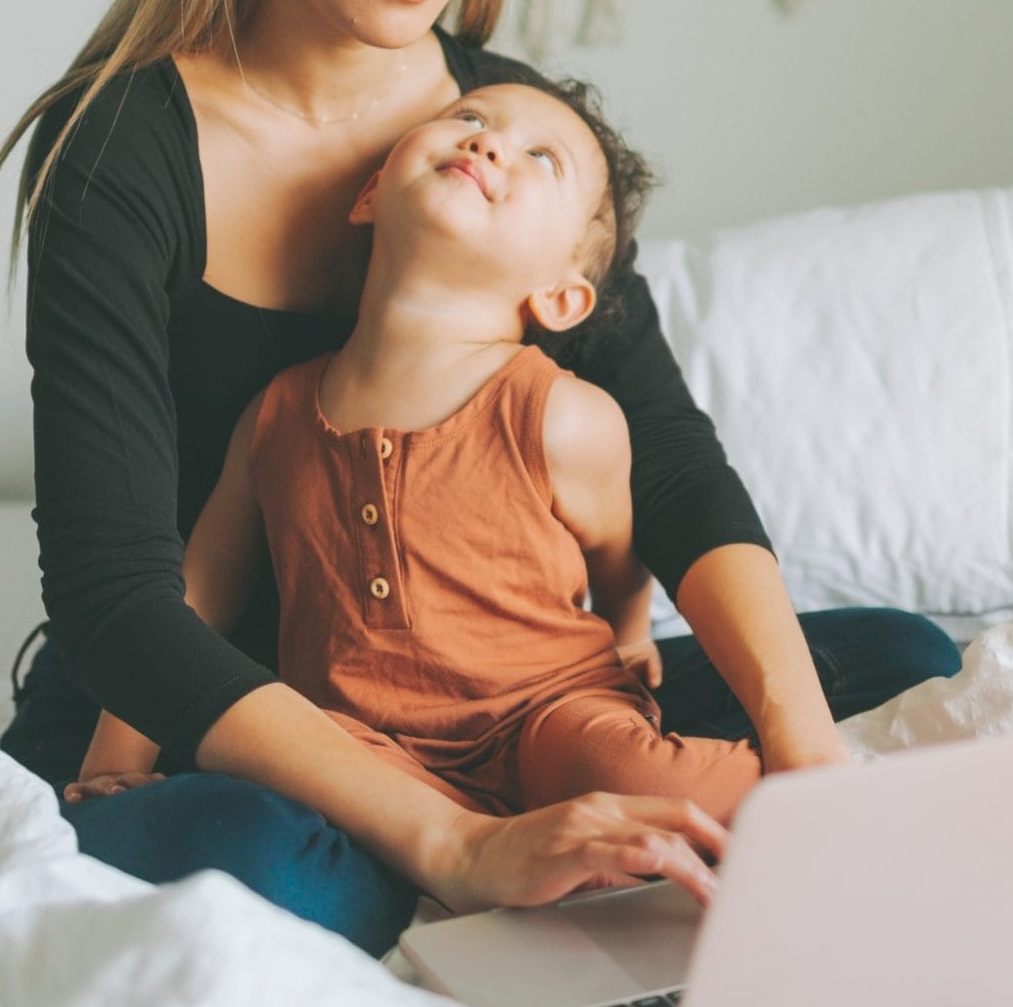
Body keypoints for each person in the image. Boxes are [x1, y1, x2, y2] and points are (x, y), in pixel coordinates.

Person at [0, 0, 960, 958]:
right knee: (287, 870)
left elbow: (671, 468)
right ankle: (452, 853)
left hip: (494, 691)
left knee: (897, 661)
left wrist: (805, 753)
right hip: (220, 704)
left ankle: (574, 836)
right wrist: (454, 838)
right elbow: (120, 598)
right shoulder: (118, 152)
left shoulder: (510, 131)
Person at [62, 77, 763, 829]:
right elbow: (194, 597)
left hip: (548, 712)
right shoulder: (270, 417)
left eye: (541, 159)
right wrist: (119, 759)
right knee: (250, 794)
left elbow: (618, 553)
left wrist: (629, 636)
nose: (488, 142)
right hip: (360, 742)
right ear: (370, 194)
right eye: (468, 116)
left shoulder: (563, 414)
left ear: (561, 297)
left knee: (623, 771)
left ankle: (817, 792)